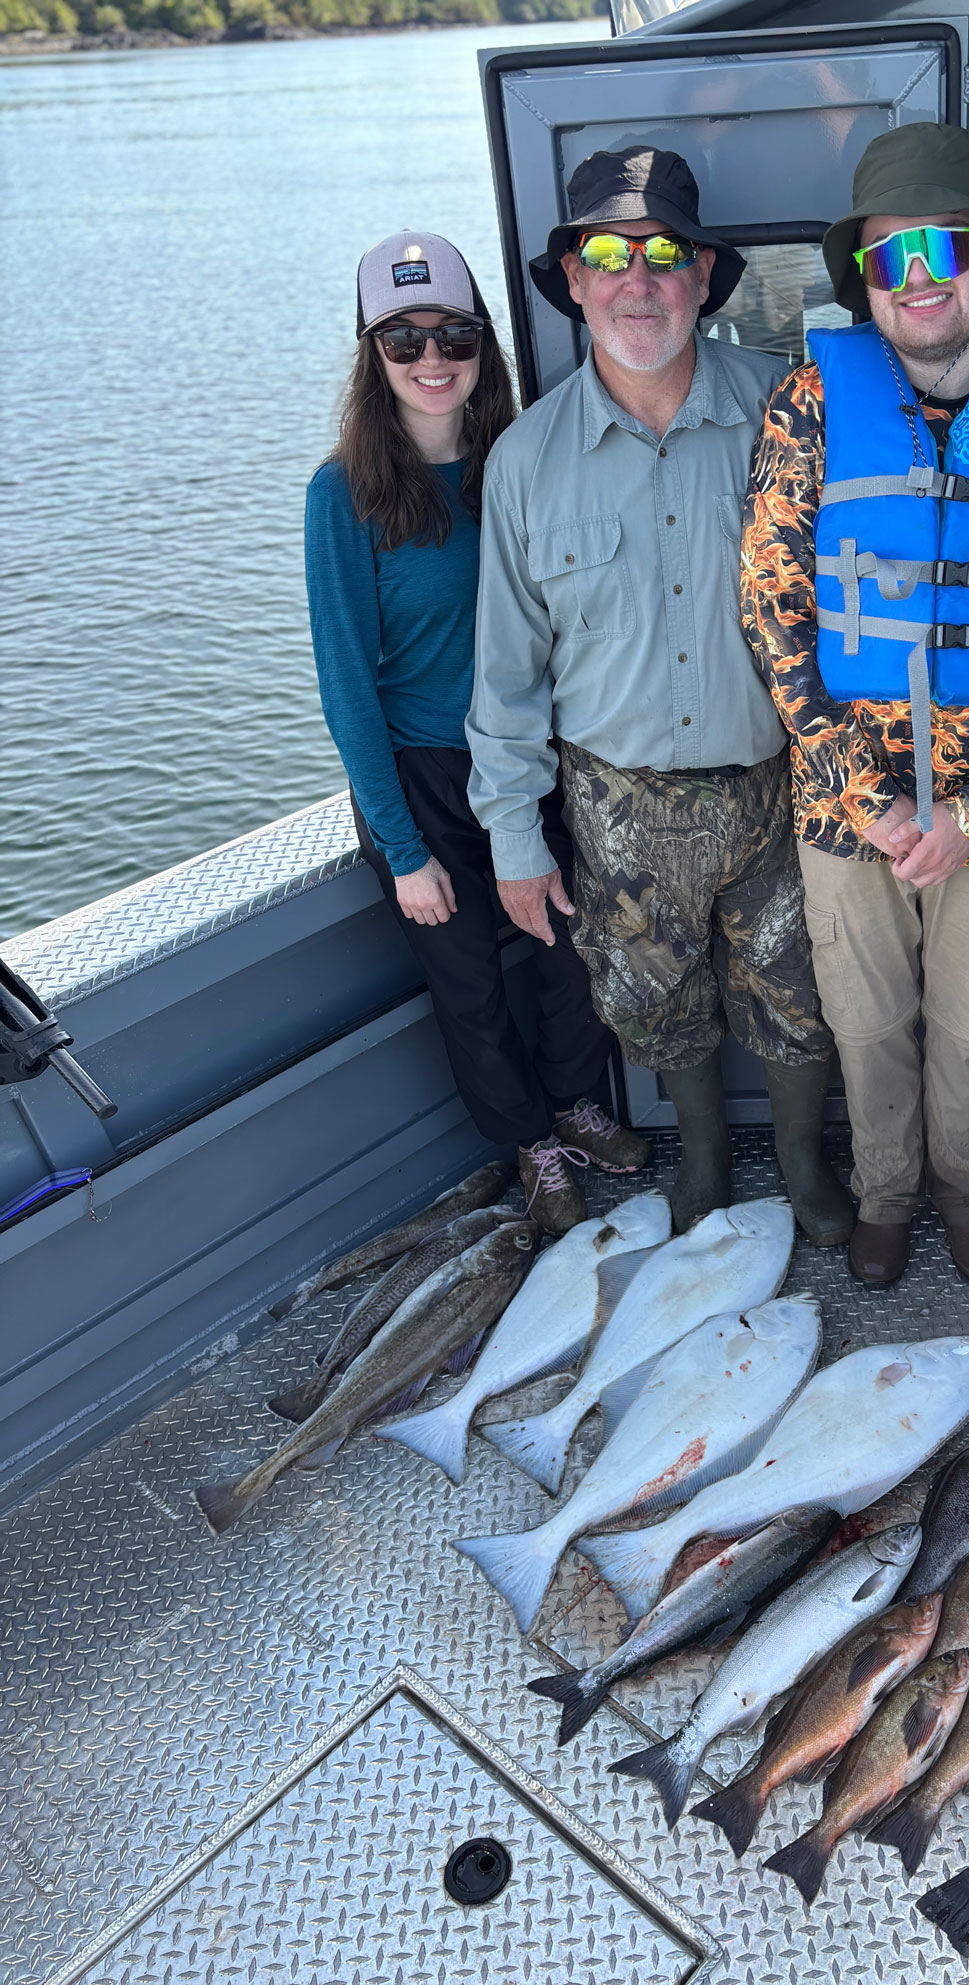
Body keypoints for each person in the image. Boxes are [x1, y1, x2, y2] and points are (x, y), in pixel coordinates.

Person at [742, 125, 969, 1291]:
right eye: (891, 256)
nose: (920, 278)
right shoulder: (810, 401)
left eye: (947, 246)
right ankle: (887, 1196)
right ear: (865, 280)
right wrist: (876, 802)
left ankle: (967, 1193)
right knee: (864, 1025)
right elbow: (771, 611)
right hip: (848, 811)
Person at [466, 149, 851, 1243]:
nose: (637, 279)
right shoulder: (526, 460)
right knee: (652, 1000)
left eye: (665, 254)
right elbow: (505, 670)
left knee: (797, 990)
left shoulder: (788, 411)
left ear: (703, 279)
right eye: (606, 254)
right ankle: (703, 1164)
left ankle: (799, 1163)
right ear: (575, 283)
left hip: (779, 783)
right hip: (616, 799)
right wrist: (512, 839)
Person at [305, 230, 647, 1239]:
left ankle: (579, 1107)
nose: (430, 357)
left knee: (570, 952)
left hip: (533, 759)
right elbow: (345, 688)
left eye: (452, 332)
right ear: (372, 356)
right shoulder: (345, 494)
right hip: (424, 780)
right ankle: (529, 1144)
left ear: (483, 342)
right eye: (402, 339)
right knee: (469, 986)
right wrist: (404, 851)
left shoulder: (521, 460)